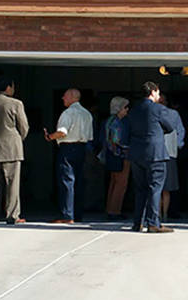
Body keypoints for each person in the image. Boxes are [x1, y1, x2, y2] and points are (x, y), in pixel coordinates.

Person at [127, 81, 182, 233]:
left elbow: (128, 130)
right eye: (158, 92)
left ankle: (138, 222)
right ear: (153, 92)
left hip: (137, 153)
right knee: (155, 188)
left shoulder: (134, 109)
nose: (158, 95)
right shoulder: (158, 109)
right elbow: (170, 126)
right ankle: (153, 223)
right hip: (155, 153)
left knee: (140, 189)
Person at [44, 88, 94, 224]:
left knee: (67, 181)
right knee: (79, 182)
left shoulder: (68, 113)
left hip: (67, 148)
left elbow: (62, 132)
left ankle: (67, 215)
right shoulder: (87, 114)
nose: (62, 98)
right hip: (82, 147)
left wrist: (50, 137)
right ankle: (77, 214)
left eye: (65, 96)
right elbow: (90, 136)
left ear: (72, 97)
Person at [0, 76, 29, 225]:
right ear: (8, 88)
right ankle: (12, 215)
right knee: (12, 183)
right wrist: (17, 139)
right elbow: (24, 127)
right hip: (12, 147)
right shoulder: (16, 104)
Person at [158, 92, 186, 220]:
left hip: (169, 153)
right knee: (158, 188)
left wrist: (177, 145)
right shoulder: (154, 113)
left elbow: (181, 131)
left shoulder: (173, 114)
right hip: (157, 153)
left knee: (167, 187)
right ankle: (158, 214)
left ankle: (164, 214)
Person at [103, 96, 131, 220]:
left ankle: (110, 209)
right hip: (120, 155)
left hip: (111, 156)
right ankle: (115, 211)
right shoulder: (117, 123)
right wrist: (129, 148)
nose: (127, 110)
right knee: (120, 185)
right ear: (119, 108)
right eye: (125, 107)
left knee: (113, 183)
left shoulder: (109, 120)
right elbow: (116, 140)